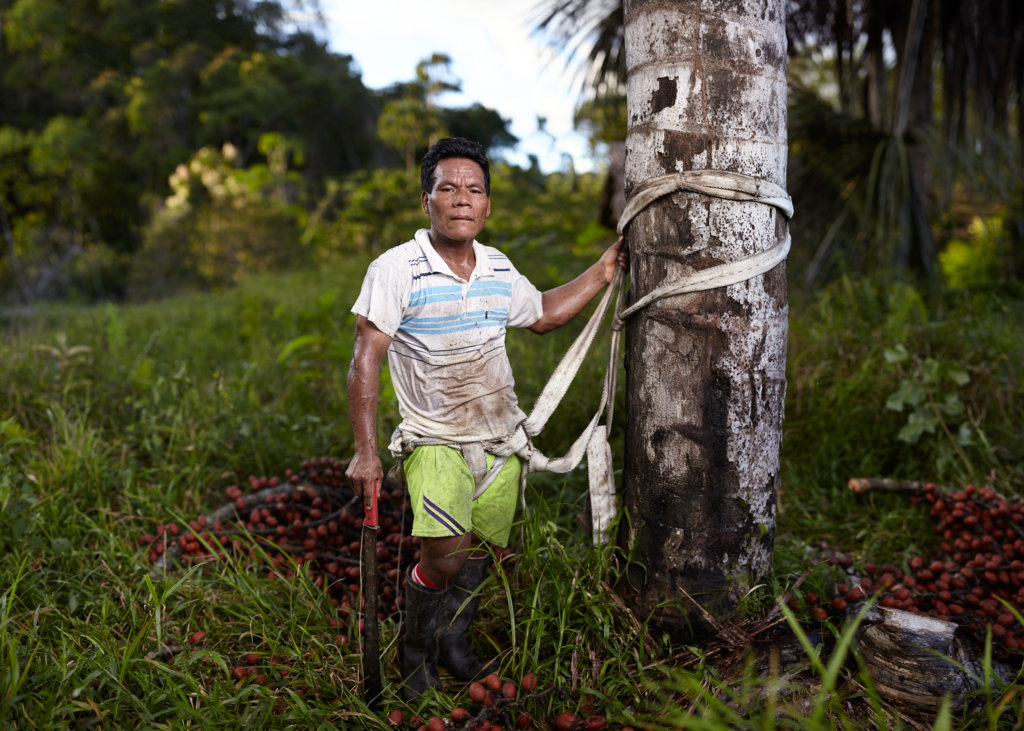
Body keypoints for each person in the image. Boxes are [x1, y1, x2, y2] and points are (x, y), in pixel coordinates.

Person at [345, 137, 626, 700]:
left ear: (487, 204)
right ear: (427, 199)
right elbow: (365, 359)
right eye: (447, 188)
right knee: (444, 558)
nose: (461, 199)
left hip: (500, 439)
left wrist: (602, 271)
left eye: (474, 189)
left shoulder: (498, 267)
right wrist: (366, 449)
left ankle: (454, 643)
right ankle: (416, 653)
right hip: (437, 438)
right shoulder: (397, 268)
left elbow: (543, 313)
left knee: (482, 554)